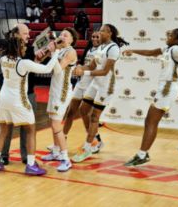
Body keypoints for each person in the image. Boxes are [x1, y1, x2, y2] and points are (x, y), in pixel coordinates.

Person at [123, 29, 178, 166]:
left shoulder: (176, 49)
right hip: (164, 88)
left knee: (151, 122)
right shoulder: (167, 48)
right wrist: (133, 50)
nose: (168, 36)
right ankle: (143, 153)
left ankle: (142, 155)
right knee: (149, 121)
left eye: (171, 35)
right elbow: (151, 52)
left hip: (167, 88)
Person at [0, 37, 60, 175]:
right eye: (23, 46)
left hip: (3, 99)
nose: (25, 48)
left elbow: (28, 67)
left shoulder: (3, 60)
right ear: (17, 48)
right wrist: (56, 52)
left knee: (2, 130)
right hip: (18, 100)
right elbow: (47, 68)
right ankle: (31, 164)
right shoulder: (23, 63)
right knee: (30, 130)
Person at [71, 24, 128, 162]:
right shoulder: (100, 47)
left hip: (106, 86)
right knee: (83, 111)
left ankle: (87, 147)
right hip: (96, 84)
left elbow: (104, 71)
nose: (99, 33)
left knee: (95, 117)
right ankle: (96, 140)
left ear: (109, 34)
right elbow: (91, 66)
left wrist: (84, 72)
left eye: (102, 31)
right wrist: (79, 67)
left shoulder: (114, 48)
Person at [0, 24, 42, 165]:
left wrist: (40, 58)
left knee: (27, 128)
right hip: (11, 93)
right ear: (15, 34)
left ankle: (26, 156)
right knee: (6, 127)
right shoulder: (5, 49)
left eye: (28, 34)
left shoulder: (29, 49)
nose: (28, 36)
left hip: (28, 92)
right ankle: (3, 155)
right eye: (25, 33)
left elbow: (32, 67)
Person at [40, 28, 78, 172]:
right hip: (54, 89)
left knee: (56, 125)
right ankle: (56, 152)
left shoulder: (70, 52)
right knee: (52, 121)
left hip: (62, 92)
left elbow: (57, 69)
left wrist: (53, 52)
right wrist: (50, 51)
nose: (62, 36)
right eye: (61, 34)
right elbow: (50, 67)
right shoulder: (60, 50)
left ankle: (66, 159)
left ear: (71, 40)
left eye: (65, 35)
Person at [56, 31, 100, 152]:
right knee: (70, 112)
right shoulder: (89, 49)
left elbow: (95, 68)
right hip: (81, 83)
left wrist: (82, 69)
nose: (95, 38)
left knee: (86, 113)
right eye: (93, 37)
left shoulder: (102, 51)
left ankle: (94, 140)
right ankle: (62, 139)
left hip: (92, 85)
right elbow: (84, 64)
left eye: (97, 37)